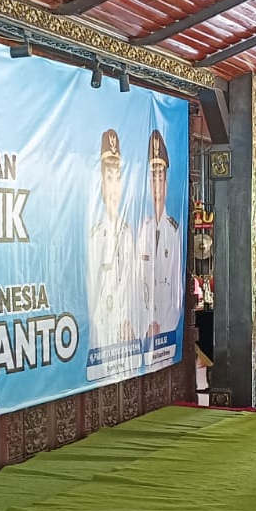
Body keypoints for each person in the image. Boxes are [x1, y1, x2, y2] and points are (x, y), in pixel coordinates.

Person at [87, 129, 136, 354]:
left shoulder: (128, 233)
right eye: (109, 177)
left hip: (126, 326)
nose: (114, 187)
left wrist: (131, 320)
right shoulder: (94, 234)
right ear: (101, 183)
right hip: (101, 328)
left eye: (118, 178)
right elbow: (90, 288)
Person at [137, 130, 182, 363]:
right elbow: (134, 287)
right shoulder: (138, 230)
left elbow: (176, 291)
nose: (157, 185)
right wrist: (146, 324)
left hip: (166, 336)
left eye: (161, 178)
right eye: (152, 178)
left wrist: (161, 326)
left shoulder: (173, 231)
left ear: (166, 182)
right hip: (140, 332)